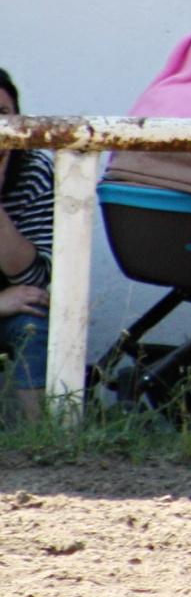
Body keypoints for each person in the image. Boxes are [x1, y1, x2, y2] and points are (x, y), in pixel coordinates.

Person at [0, 70, 53, 422]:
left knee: (34, 318)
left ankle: (43, 441)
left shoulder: (32, 169)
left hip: (13, 306)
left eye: (3, 115)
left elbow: (35, 279)